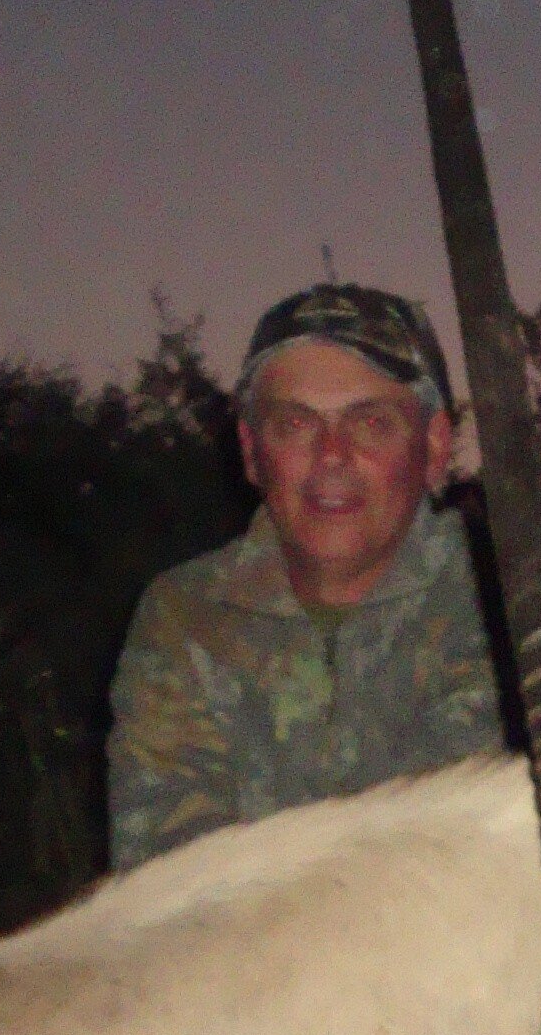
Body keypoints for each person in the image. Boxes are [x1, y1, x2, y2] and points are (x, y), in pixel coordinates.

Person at [106, 282, 511, 869]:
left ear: (435, 445)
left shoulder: (513, 609)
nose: (331, 455)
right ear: (250, 451)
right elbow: (168, 889)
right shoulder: (183, 618)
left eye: (370, 423)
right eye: (295, 425)